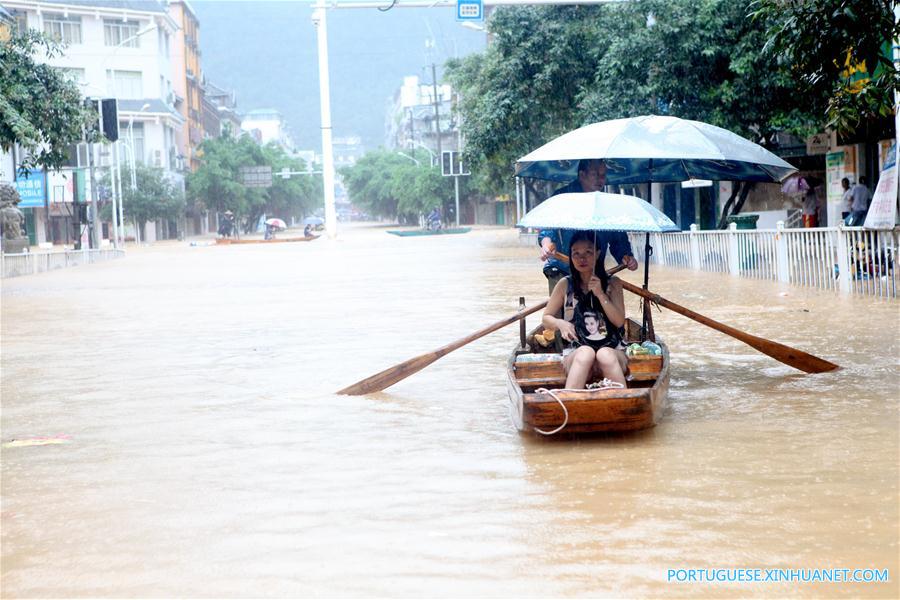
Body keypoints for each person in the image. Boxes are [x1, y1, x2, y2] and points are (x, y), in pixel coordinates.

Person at [541, 230, 628, 389]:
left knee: (604, 354)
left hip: (613, 351)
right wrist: (561, 324)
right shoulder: (565, 284)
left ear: (598, 254)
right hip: (577, 353)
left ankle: (625, 401)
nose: (582, 258)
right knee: (586, 352)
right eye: (576, 253)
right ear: (570, 256)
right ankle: (569, 400)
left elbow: (619, 321)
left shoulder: (613, 283)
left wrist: (600, 294)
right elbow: (546, 318)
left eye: (588, 252)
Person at [538, 159, 638, 294]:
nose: (600, 179)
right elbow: (548, 228)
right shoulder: (563, 197)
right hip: (563, 268)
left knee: (598, 303)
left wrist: (627, 257)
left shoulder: (608, 205)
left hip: (594, 271)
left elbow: (618, 239)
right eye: (595, 174)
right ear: (582, 175)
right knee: (562, 306)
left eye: (603, 175)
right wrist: (546, 245)